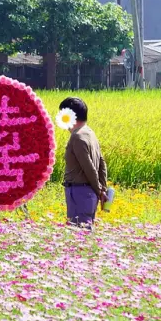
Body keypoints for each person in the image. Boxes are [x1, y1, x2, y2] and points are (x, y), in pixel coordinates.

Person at [60, 97, 108, 229]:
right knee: (84, 232)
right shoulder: (90, 133)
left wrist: (100, 191)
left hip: (79, 192)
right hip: (88, 193)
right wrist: (102, 188)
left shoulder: (77, 136)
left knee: (78, 233)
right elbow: (102, 163)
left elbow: (89, 167)